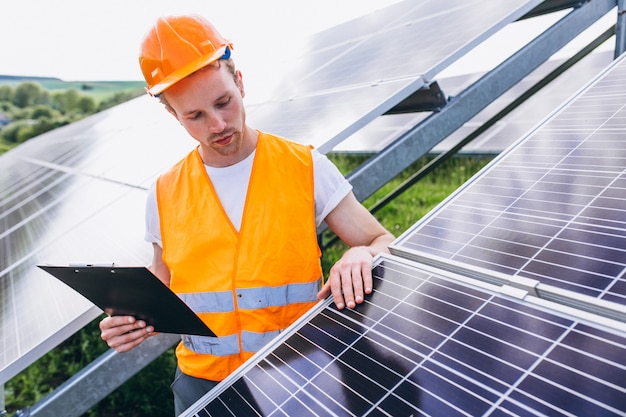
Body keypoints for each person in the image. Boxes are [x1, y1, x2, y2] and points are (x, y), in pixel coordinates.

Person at [99, 14, 395, 415]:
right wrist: (128, 317)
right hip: (203, 387)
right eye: (195, 115)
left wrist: (363, 254)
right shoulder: (164, 191)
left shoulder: (305, 166)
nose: (218, 124)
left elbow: (381, 240)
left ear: (240, 83)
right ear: (172, 114)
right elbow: (163, 281)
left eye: (223, 102)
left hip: (299, 374)